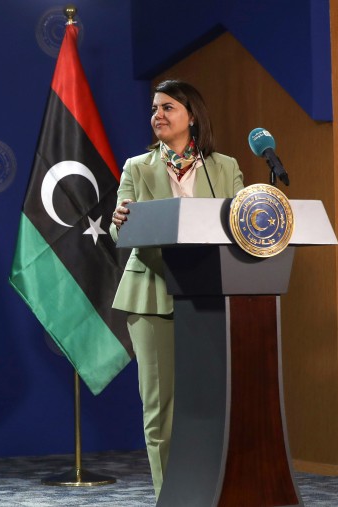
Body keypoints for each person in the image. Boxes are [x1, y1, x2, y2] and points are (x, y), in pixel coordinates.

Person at [109, 79, 244, 498]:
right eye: (154, 108)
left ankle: (210, 491)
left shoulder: (225, 167)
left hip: (209, 295)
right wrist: (118, 222)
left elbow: (242, 227)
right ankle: (169, 496)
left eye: (168, 107)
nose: (158, 116)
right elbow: (122, 236)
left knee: (211, 404)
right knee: (160, 408)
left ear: (192, 115)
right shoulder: (137, 167)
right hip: (150, 295)